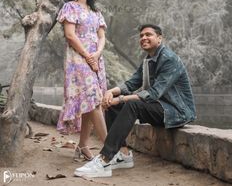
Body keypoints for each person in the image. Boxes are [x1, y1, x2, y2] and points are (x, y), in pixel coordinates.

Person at [74, 24, 196, 178]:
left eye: (148, 34)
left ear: (159, 38)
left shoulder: (169, 59)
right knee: (112, 106)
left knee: (131, 104)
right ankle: (123, 156)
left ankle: (104, 160)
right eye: (141, 35)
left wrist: (120, 99)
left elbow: (153, 93)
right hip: (159, 108)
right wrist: (110, 93)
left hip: (176, 112)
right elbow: (132, 83)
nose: (144, 38)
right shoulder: (148, 60)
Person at [57, 0, 107, 161]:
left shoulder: (96, 12)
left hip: (96, 60)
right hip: (78, 60)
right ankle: (110, 148)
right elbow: (70, 35)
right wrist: (88, 56)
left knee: (91, 103)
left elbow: (102, 36)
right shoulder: (70, 7)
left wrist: (97, 54)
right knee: (93, 100)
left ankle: (83, 146)